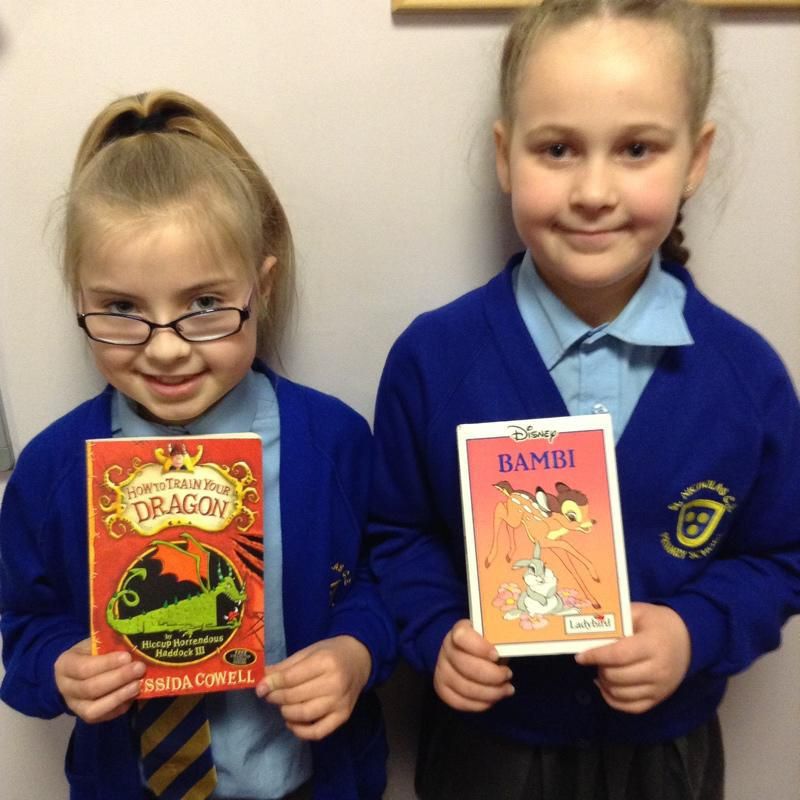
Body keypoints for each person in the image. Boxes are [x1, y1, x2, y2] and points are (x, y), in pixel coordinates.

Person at [368, 2, 800, 798]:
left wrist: (693, 631)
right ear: (506, 156)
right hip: (488, 747)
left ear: (696, 158)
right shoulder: (434, 359)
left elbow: (780, 556)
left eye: (637, 149)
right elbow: (397, 533)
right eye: (558, 149)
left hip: (662, 752)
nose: (594, 191)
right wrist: (436, 632)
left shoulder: (747, 378)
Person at [0, 89, 395, 800]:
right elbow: (24, 622)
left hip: (308, 780)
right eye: (122, 308)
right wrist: (60, 668)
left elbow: (384, 577)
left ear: (261, 288)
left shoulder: (331, 442)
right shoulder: (53, 470)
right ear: (79, 301)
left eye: (205, 304)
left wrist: (356, 651)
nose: (166, 348)